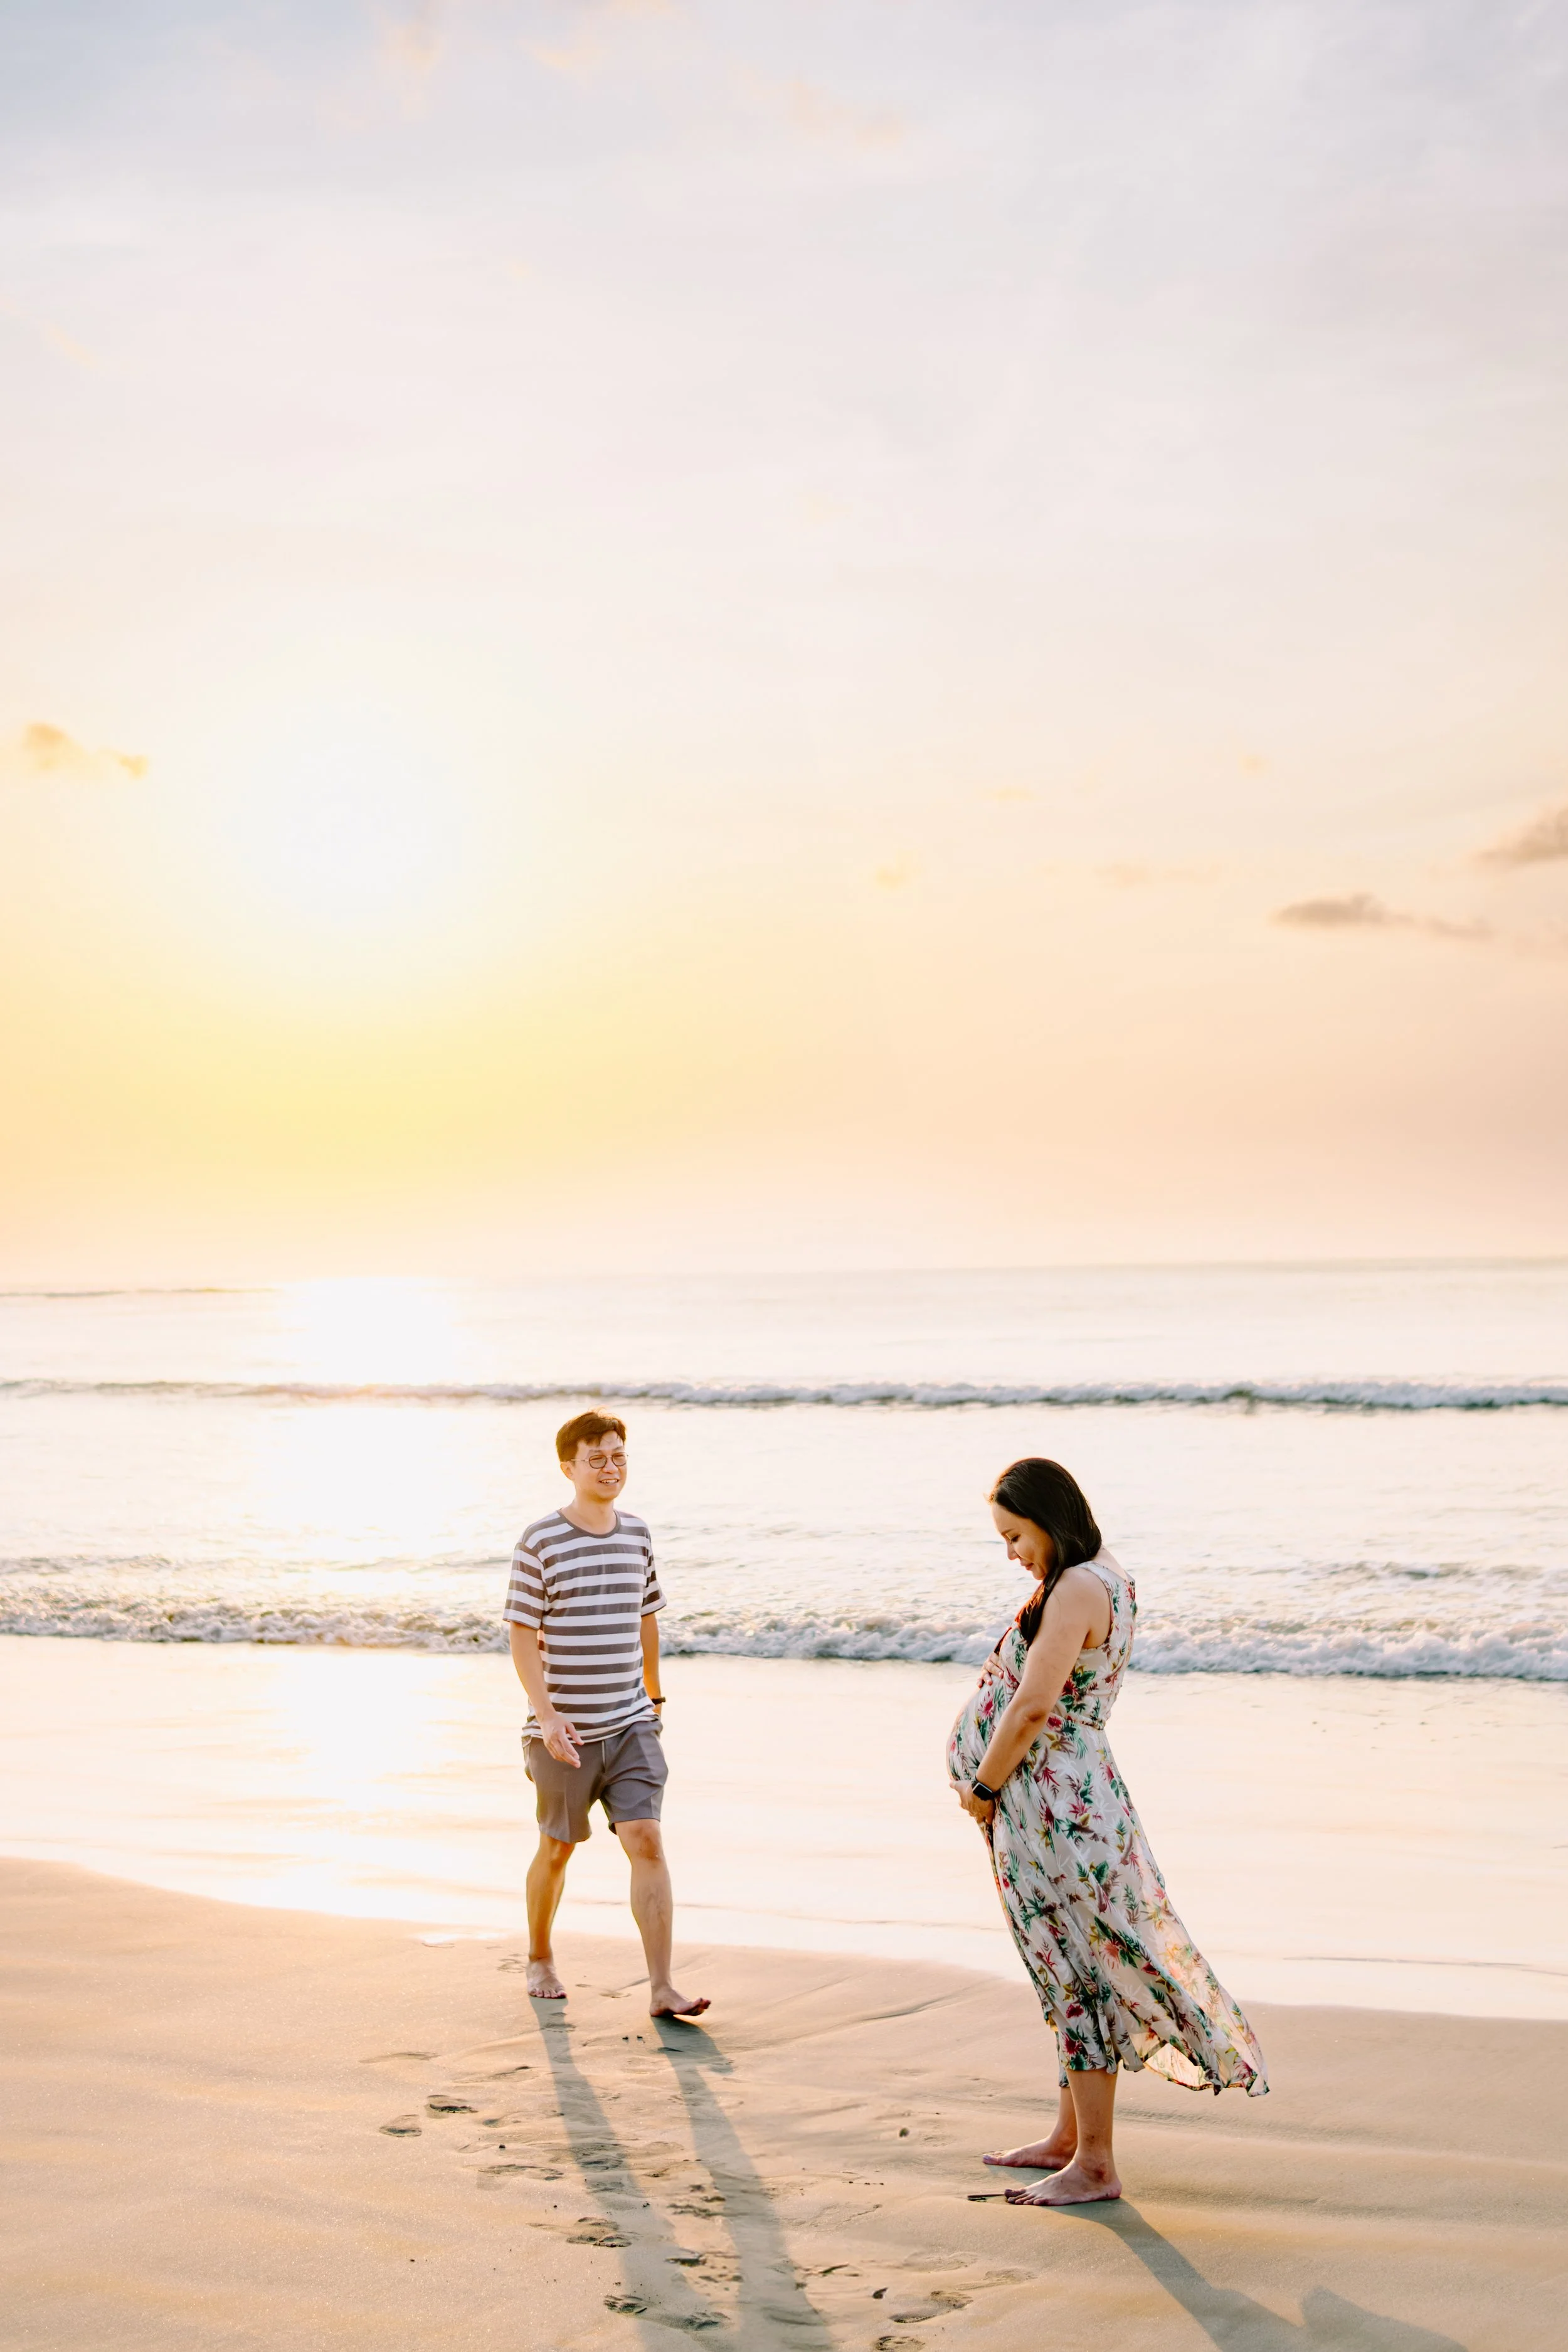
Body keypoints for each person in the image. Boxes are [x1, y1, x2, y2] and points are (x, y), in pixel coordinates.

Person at [948, 1456, 1266, 2206]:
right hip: (1068, 1797)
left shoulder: (1079, 1589)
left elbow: (1032, 1707)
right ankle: (1068, 2138)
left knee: (1073, 1970)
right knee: (1065, 1964)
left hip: (1051, 1805)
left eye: (1015, 1535)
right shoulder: (1102, 1576)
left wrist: (984, 1787)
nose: (1012, 1554)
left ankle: (1094, 2162)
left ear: (1051, 1518)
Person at [504, 1409, 709, 2020]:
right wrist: (546, 1716)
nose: (610, 1468)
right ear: (568, 1467)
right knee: (558, 1848)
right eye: (597, 1459)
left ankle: (662, 1988)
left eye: (619, 1456)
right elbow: (519, 1633)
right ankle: (540, 1956)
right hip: (562, 1732)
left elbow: (648, 1619)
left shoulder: (637, 1534)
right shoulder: (540, 1539)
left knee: (646, 1840)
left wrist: (655, 1697)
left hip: (631, 1723)